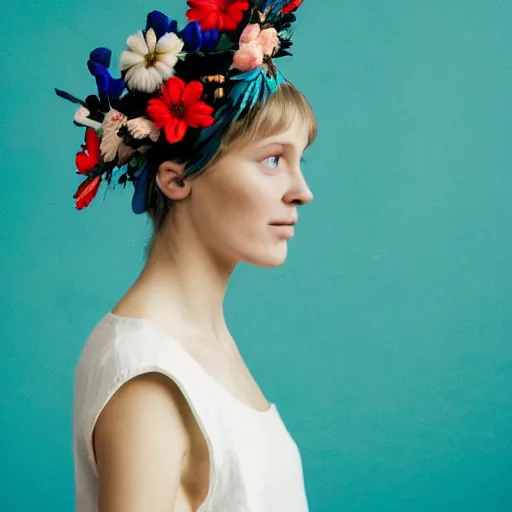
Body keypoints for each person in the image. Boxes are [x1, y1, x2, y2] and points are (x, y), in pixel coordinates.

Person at [56, 1, 317, 510]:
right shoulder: (149, 376)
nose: (301, 191)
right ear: (176, 178)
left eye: (298, 161)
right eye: (271, 160)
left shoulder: (193, 343)